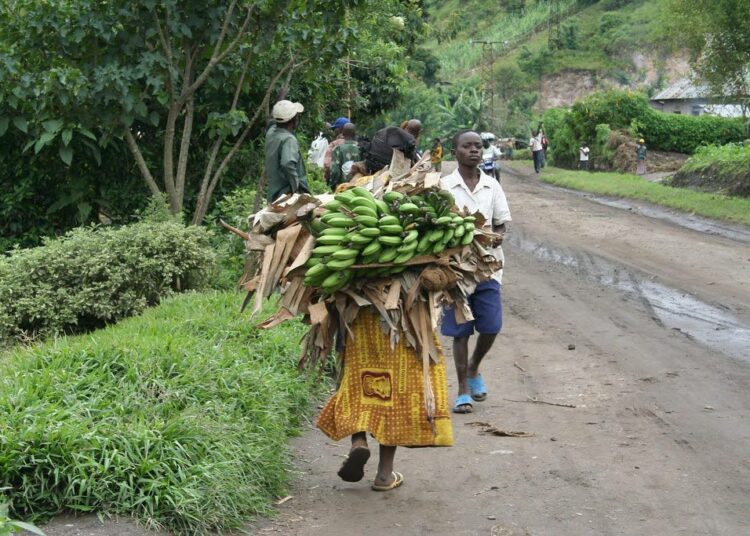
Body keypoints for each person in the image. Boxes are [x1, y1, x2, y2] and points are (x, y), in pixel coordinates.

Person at [317, 125, 453, 491]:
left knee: (357, 376)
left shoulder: (347, 193)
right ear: (410, 155)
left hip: (357, 310)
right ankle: (382, 473)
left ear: (368, 155)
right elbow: (448, 261)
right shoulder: (424, 194)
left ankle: (359, 440)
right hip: (404, 314)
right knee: (398, 388)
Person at [439, 130, 511, 414]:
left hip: (488, 268)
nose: (474, 150)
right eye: (467, 146)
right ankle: (462, 390)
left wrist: (497, 235)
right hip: (456, 270)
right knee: (460, 331)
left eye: (478, 146)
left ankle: (474, 367)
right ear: (454, 151)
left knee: (492, 326)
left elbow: (501, 222)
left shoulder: (492, 186)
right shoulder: (444, 186)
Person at [265, 100, 309, 202]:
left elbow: (272, 122)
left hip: (274, 191)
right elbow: (287, 163)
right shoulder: (288, 139)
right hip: (286, 193)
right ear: (294, 120)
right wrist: (296, 187)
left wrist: (279, 99)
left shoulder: (271, 133)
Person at [328, 123, 361, 188]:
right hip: (358, 186)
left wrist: (332, 185)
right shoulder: (361, 148)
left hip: (342, 187)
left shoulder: (338, 149)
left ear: (342, 134)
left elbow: (335, 171)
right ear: (355, 134)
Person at [323, 116, 350, 182]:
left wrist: (327, 181)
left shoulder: (334, 144)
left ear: (339, 129)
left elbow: (327, 165)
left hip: (339, 184)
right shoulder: (357, 144)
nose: (334, 131)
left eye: (335, 129)